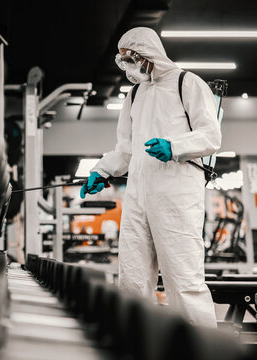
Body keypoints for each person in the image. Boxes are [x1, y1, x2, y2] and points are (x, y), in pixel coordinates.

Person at [80, 27, 221, 327]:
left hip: (176, 197)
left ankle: (202, 350)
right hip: (138, 198)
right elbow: (127, 150)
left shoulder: (187, 84)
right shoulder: (134, 95)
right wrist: (101, 171)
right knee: (132, 280)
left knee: (184, 282)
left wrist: (175, 147)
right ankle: (136, 346)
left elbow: (211, 136)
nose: (128, 68)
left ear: (148, 55)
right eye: (123, 62)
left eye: (131, 60)